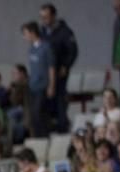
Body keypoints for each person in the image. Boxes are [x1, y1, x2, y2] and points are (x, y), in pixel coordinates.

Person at [39, 4, 78, 134]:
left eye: (46, 17)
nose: (44, 20)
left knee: (60, 99)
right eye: (42, 17)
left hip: (59, 72)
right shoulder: (42, 31)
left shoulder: (64, 32)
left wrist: (65, 66)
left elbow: (72, 51)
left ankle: (62, 127)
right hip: (45, 73)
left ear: (53, 16)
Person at [21, 21, 55, 138]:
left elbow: (51, 68)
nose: (25, 37)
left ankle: (44, 136)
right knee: (32, 115)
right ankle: (36, 136)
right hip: (32, 86)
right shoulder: (31, 49)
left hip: (43, 85)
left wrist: (51, 85)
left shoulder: (46, 47)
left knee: (39, 113)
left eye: (25, 33)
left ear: (32, 32)